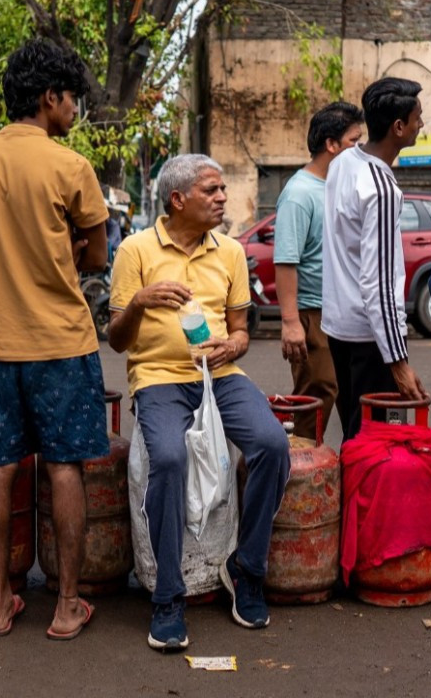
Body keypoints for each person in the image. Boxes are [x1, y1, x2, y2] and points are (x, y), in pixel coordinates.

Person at [0, 38, 108, 641]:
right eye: (71, 99)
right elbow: (94, 255)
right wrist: (65, 245)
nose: (74, 111)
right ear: (50, 97)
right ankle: (66, 605)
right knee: (64, 467)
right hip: (61, 341)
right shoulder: (70, 166)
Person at [108, 153, 290, 652]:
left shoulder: (230, 251)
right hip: (159, 378)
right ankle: (169, 596)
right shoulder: (135, 250)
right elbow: (117, 339)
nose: (222, 198)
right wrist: (141, 301)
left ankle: (247, 569)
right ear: (178, 199)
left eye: (221, 190)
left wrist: (233, 345)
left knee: (272, 445)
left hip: (221, 374)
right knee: (168, 458)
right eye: (211, 190)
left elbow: (240, 331)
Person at [322, 77, 428, 440]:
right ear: (399, 127)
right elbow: (379, 282)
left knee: (355, 435)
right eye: (418, 118)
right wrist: (398, 362)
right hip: (370, 338)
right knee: (375, 441)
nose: (422, 125)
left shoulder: (343, 162)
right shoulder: (381, 188)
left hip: (339, 328)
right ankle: (360, 499)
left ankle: (350, 498)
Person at [274, 101, 364, 439]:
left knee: (354, 403)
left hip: (345, 313)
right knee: (316, 401)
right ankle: (303, 479)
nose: (360, 149)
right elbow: (286, 261)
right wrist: (290, 322)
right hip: (312, 314)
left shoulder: (340, 185)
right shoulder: (299, 193)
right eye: (354, 142)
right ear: (332, 144)